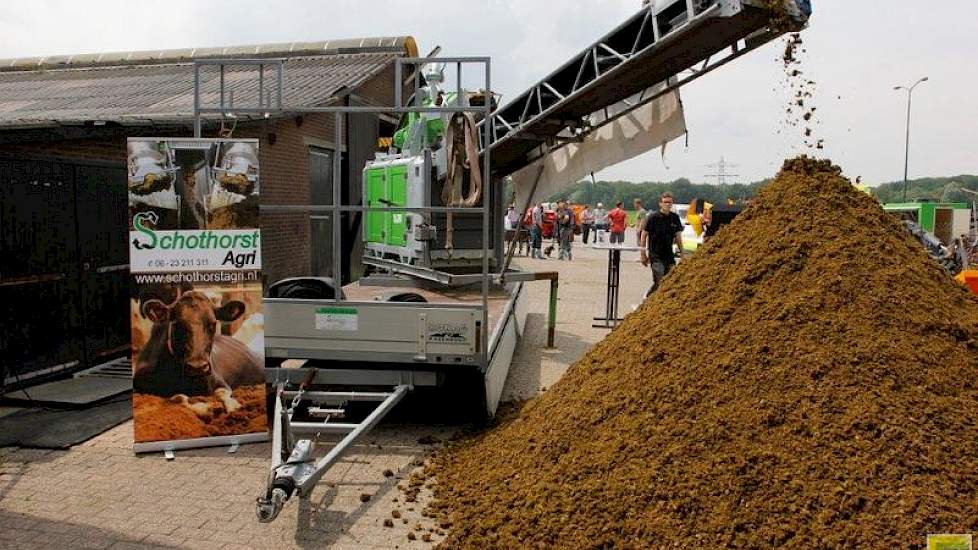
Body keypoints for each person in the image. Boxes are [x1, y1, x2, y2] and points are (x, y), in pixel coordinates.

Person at [640, 191, 685, 295]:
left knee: (671, 280)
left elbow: (678, 237)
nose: (668, 204)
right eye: (665, 202)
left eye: (670, 202)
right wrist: (643, 254)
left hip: (669, 255)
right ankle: (648, 298)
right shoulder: (652, 217)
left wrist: (682, 253)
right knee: (660, 279)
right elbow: (644, 235)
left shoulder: (675, 218)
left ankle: (653, 298)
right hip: (655, 255)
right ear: (660, 203)